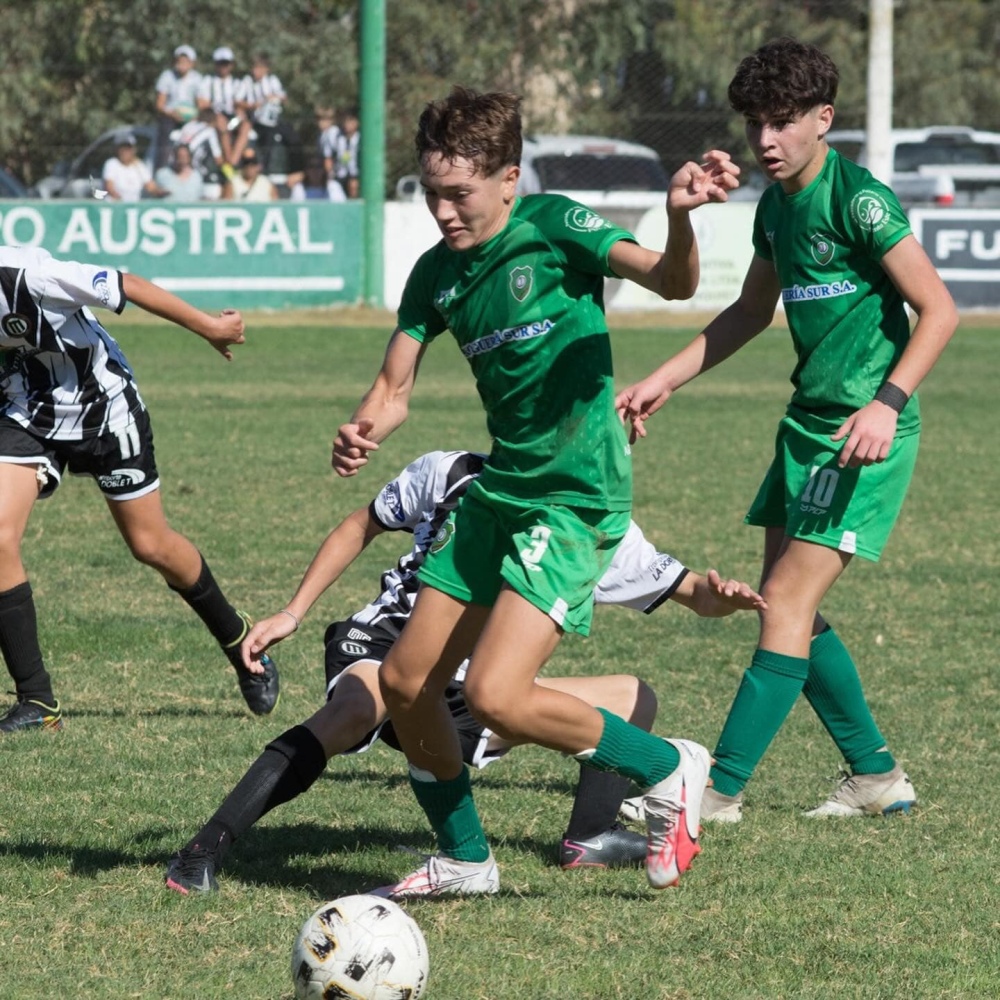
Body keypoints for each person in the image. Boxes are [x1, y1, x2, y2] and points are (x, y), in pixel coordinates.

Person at [331, 86, 741, 897]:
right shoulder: (434, 275)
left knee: (496, 696)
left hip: (574, 496)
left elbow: (670, 281)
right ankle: (463, 858)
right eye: (430, 193)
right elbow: (393, 386)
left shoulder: (553, 227)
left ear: (509, 179)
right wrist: (363, 425)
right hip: (502, 488)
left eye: (460, 194)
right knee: (408, 684)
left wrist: (681, 216)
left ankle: (668, 768)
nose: (444, 212)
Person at [616, 37, 958, 823]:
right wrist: (664, 378)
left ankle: (717, 790)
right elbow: (748, 311)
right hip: (806, 427)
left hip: (863, 430)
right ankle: (874, 774)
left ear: (822, 118)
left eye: (782, 123)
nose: (765, 142)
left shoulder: (861, 201)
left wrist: (888, 402)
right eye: (754, 126)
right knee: (786, 608)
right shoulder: (775, 206)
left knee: (783, 599)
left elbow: (938, 310)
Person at [164, 449, 765, 894]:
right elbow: (360, 523)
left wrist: (722, 596)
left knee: (632, 697)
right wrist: (294, 611)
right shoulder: (452, 472)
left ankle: (589, 838)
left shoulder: (593, 529)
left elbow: (691, 592)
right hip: (386, 641)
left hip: (472, 687)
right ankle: (206, 850)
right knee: (356, 706)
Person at [0, 247, 280, 733]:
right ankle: (38, 703)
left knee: (150, 545)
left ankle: (237, 640)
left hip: (107, 413)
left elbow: (126, 284)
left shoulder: (28, 274)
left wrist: (210, 328)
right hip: (28, 417)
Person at [197, 46, 250, 168]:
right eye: (221, 64)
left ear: (231, 65)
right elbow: (202, 103)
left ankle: (234, 160)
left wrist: (240, 113)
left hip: (231, 116)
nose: (223, 67)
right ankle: (228, 161)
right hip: (213, 116)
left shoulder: (237, 83)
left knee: (246, 125)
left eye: (226, 64)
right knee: (221, 122)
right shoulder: (208, 81)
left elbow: (239, 103)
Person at [154, 44, 203, 169]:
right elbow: (159, 104)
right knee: (165, 133)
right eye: (180, 61)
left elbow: (201, 103)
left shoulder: (197, 79)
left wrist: (194, 116)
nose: (182, 64)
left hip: (192, 118)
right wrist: (171, 113)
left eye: (186, 61)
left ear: (192, 63)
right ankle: (161, 167)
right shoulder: (167, 76)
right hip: (170, 116)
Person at [236, 52, 286, 172]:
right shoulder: (247, 81)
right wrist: (252, 105)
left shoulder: (272, 80)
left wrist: (270, 98)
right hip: (254, 121)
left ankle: (266, 169)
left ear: (266, 69)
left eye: (259, 68)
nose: (255, 71)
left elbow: (283, 97)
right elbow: (238, 100)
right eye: (254, 67)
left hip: (271, 122)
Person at [102, 133, 166, 202]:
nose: (125, 152)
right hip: (115, 205)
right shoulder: (112, 164)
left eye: (128, 148)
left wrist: (159, 192)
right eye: (122, 148)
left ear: (133, 150)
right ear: (117, 150)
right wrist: (120, 200)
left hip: (133, 207)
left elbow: (150, 186)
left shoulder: (139, 165)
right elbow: (109, 187)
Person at [331, 107, 360, 199]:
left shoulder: (361, 139)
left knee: (353, 185)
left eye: (351, 121)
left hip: (356, 174)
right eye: (345, 121)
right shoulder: (337, 137)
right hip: (340, 174)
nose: (347, 124)